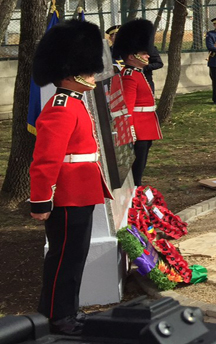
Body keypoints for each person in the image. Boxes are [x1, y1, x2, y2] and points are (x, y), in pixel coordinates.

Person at [29, 19, 112, 335]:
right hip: (66, 196)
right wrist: (41, 200)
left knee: (75, 257)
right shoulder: (61, 107)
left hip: (83, 191)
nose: (93, 74)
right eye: (87, 68)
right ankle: (56, 316)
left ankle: (68, 310)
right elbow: (45, 161)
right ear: (69, 71)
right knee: (64, 259)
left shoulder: (76, 103)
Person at [114, 19, 164, 187]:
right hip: (138, 126)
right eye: (144, 53)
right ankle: (136, 189)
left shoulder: (137, 72)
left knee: (142, 161)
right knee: (137, 165)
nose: (148, 56)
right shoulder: (129, 75)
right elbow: (127, 106)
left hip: (145, 123)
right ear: (131, 56)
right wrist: (130, 130)